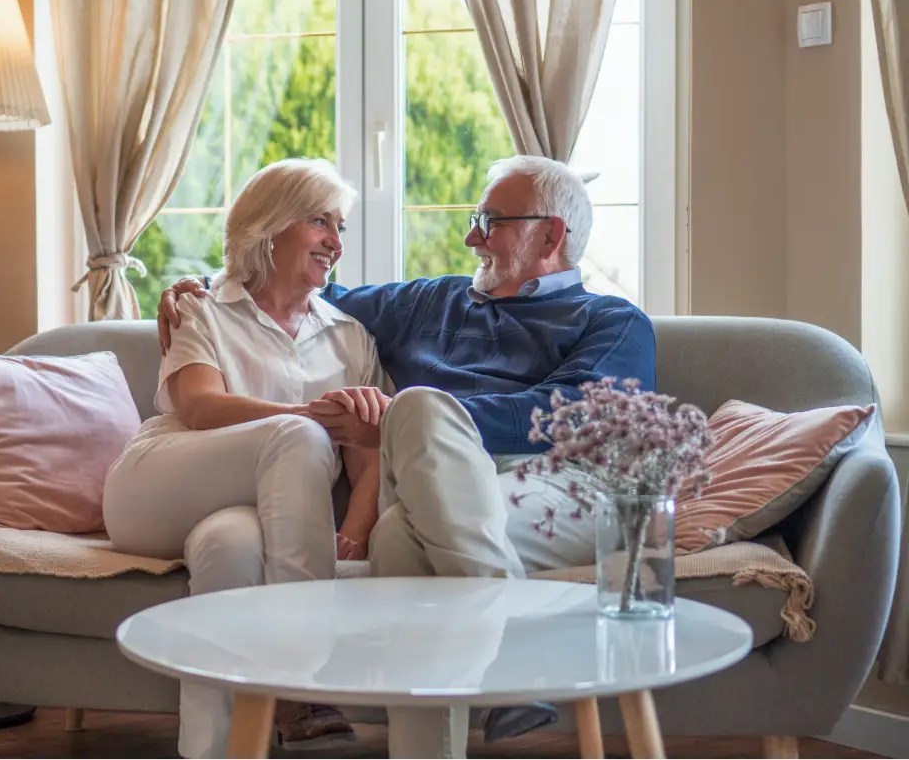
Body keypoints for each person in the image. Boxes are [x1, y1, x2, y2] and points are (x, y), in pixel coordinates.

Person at [158, 154, 657, 758]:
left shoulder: (613, 319)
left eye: (490, 221)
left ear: (551, 233)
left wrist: (413, 419)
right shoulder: (431, 301)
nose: (471, 237)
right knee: (404, 496)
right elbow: (293, 281)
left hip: (556, 483)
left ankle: (495, 665)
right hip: (428, 485)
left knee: (409, 464)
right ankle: (496, 680)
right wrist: (203, 286)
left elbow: (572, 416)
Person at [103, 158, 392, 758]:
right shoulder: (201, 308)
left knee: (228, 548)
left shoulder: (350, 338)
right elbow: (200, 405)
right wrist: (315, 417)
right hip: (156, 484)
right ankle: (301, 683)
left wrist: (356, 529)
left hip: (244, 511)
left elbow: (367, 459)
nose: (336, 242)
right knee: (301, 437)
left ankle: (218, 749)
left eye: (341, 227)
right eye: (320, 223)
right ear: (271, 223)